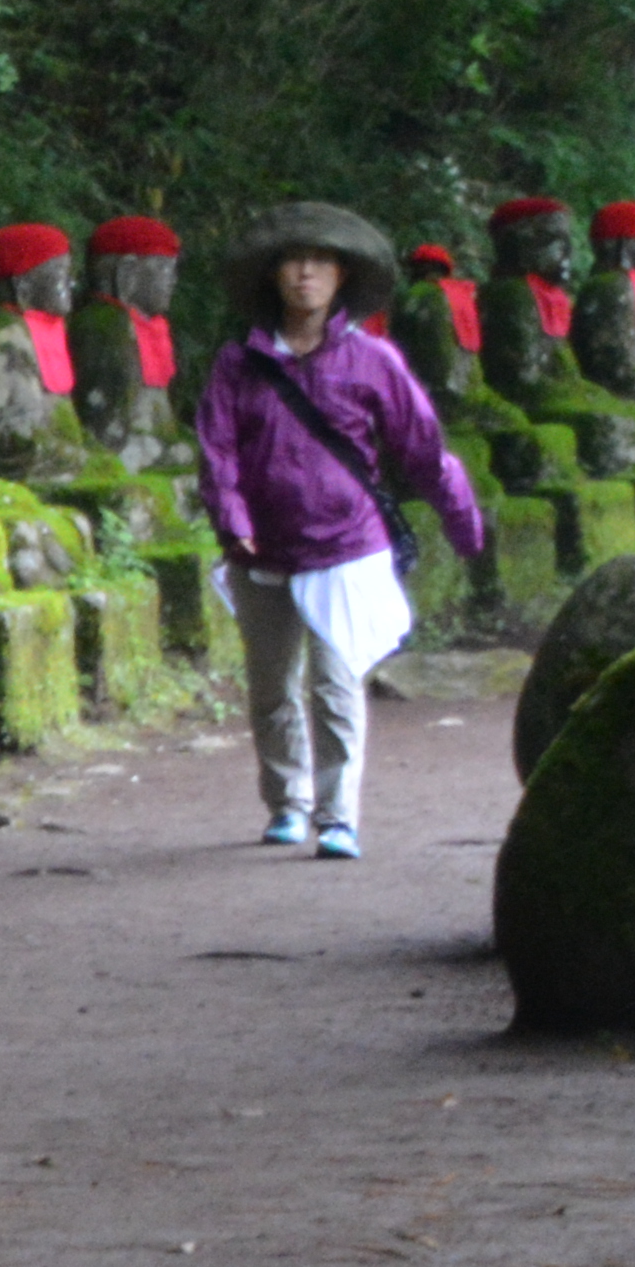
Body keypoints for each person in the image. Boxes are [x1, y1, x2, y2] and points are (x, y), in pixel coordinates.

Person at [196, 199, 491, 860]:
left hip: (347, 542)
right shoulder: (237, 364)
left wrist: (463, 522)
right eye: (293, 262)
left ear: (341, 278)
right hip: (262, 546)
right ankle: (286, 803)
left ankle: (338, 815)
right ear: (273, 278)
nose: (305, 274)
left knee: (335, 681)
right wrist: (232, 518)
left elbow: (422, 447)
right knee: (272, 685)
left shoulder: (372, 360)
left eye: (319, 263)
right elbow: (217, 449)